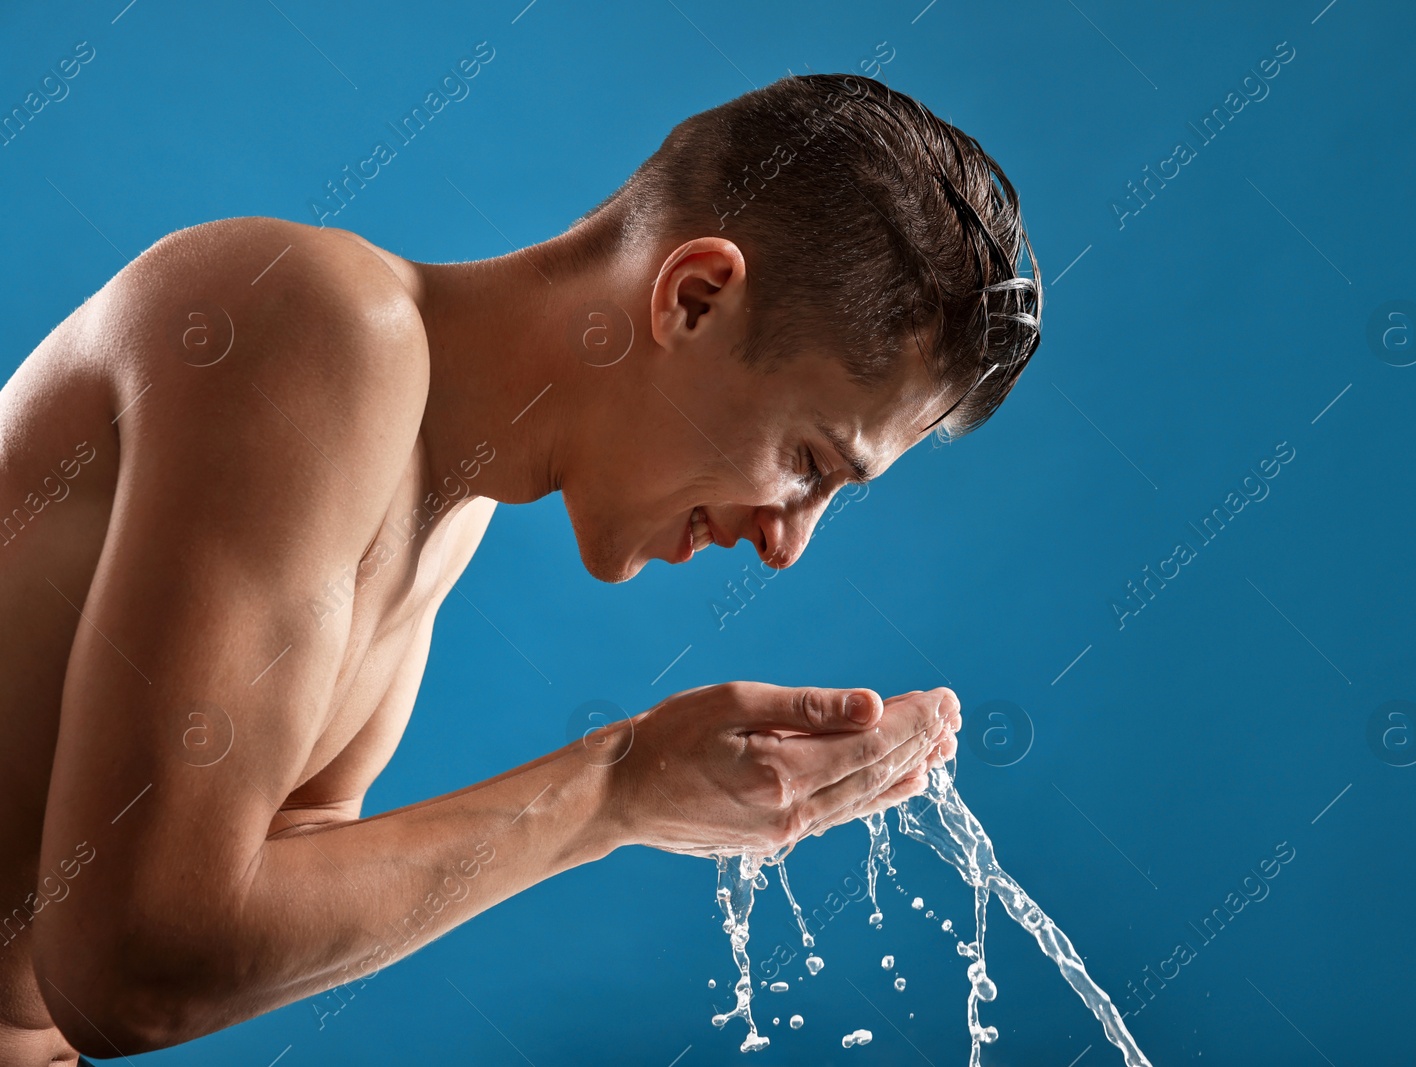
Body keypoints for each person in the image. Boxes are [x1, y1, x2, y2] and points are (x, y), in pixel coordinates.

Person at [0, 73, 1039, 1062]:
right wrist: (614, 788)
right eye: (811, 463)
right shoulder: (320, 325)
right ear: (694, 296)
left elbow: (268, 888)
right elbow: (126, 969)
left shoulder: (449, 505)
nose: (785, 540)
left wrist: (629, 793)